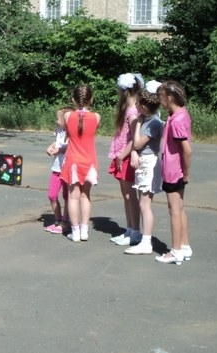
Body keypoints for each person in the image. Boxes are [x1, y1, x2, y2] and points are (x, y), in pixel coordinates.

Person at [155, 80, 193, 265]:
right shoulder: (178, 114)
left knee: (174, 210)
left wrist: (185, 172)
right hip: (175, 170)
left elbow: (187, 150)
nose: (160, 101)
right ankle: (184, 246)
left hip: (174, 171)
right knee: (180, 208)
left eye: (161, 98)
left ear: (169, 98)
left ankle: (176, 250)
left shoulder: (177, 120)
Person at [124, 83, 164, 255]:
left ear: (145, 106)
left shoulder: (153, 122)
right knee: (143, 203)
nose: (136, 106)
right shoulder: (148, 119)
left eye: (138, 104)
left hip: (149, 162)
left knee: (145, 204)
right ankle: (144, 239)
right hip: (144, 160)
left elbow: (138, 142)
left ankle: (146, 242)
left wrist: (138, 123)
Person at [59, 85, 101, 242]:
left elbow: (68, 131)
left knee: (73, 196)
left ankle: (75, 231)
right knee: (85, 195)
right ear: (92, 99)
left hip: (73, 161)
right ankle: (84, 231)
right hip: (89, 161)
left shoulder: (68, 116)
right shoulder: (97, 117)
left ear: (73, 100)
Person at [108, 73, 144, 246]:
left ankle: (135, 231)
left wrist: (122, 155)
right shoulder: (128, 110)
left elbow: (134, 138)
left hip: (127, 157)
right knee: (126, 195)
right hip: (122, 155)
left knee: (130, 195)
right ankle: (129, 229)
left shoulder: (132, 112)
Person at [44, 106, 71, 233]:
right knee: (52, 195)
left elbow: (70, 146)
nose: (56, 121)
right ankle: (58, 219)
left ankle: (65, 222)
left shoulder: (72, 133)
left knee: (67, 196)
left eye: (58, 118)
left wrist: (59, 150)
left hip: (67, 168)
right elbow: (57, 142)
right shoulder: (59, 131)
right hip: (57, 168)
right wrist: (51, 146)